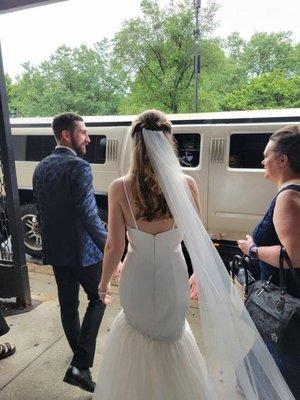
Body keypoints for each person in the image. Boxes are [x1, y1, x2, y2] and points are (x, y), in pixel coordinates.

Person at [93, 110, 294, 400]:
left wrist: (103, 284)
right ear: (167, 143)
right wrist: (199, 272)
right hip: (172, 274)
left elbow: (114, 246)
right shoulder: (186, 184)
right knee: (171, 337)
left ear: (135, 145)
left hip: (136, 275)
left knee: (136, 333)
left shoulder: (119, 187)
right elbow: (198, 239)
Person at [33, 112, 107, 393]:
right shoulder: (80, 167)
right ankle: (80, 365)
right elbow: (88, 216)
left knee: (68, 304)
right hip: (84, 253)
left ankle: (78, 356)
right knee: (99, 298)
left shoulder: (41, 167)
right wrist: (111, 248)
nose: (88, 138)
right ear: (67, 135)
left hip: (55, 249)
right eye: (83, 133)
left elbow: (42, 212)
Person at [238, 125, 300, 399]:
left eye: (267, 156)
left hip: (283, 310)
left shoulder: (288, 196)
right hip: (287, 307)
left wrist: (253, 249)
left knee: (277, 381)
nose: (263, 161)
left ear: (283, 159)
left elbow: (293, 255)